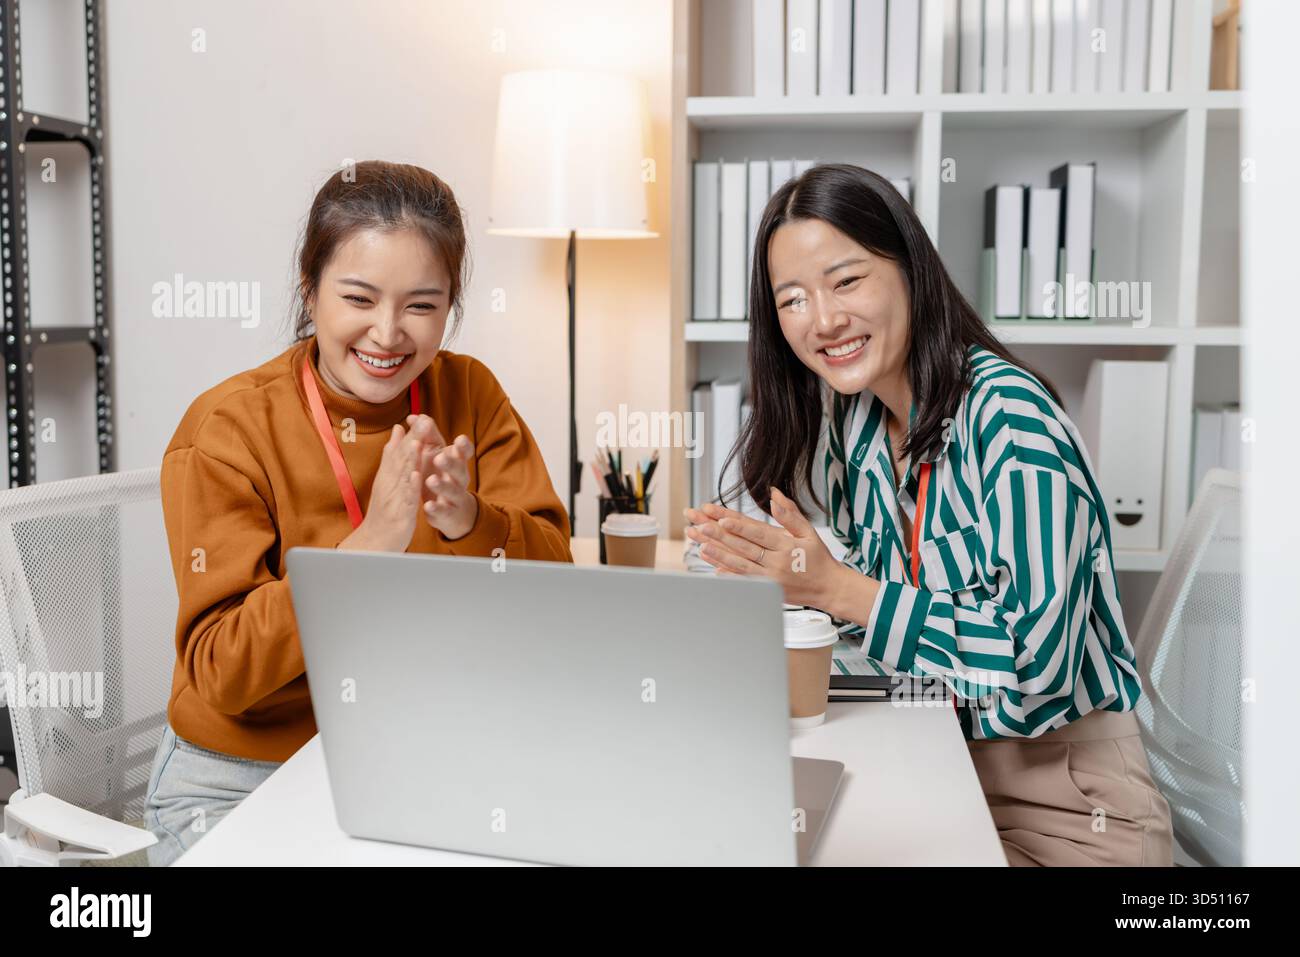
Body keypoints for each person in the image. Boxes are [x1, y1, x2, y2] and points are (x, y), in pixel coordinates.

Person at [685, 163, 1173, 867]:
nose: (823, 319)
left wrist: (835, 588)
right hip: (948, 772)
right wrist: (781, 589)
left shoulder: (1011, 420)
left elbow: (1036, 674)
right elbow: (889, 615)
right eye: (792, 298)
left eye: (846, 281)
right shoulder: (857, 422)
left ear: (910, 267)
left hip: (1073, 811)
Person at [144, 161, 570, 866]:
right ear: (309, 292)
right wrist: (367, 546)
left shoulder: (468, 392)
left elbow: (558, 592)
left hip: (415, 757)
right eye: (360, 298)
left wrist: (473, 522)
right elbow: (222, 671)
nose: (388, 333)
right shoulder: (226, 429)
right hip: (242, 779)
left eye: (421, 305)